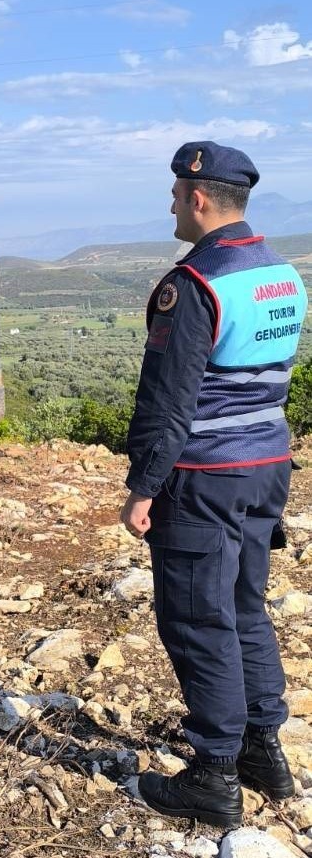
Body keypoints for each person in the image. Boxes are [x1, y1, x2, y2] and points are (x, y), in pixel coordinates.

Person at [120, 141, 307, 828]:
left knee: (199, 619)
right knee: (244, 606)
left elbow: (168, 402)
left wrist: (144, 486)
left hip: (204, 476)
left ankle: (214, 773)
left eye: (176, 194)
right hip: (267, 466)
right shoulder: (280, 272)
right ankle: (264, 751)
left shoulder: (196, 282)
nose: (171, 204)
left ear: (198, 198)